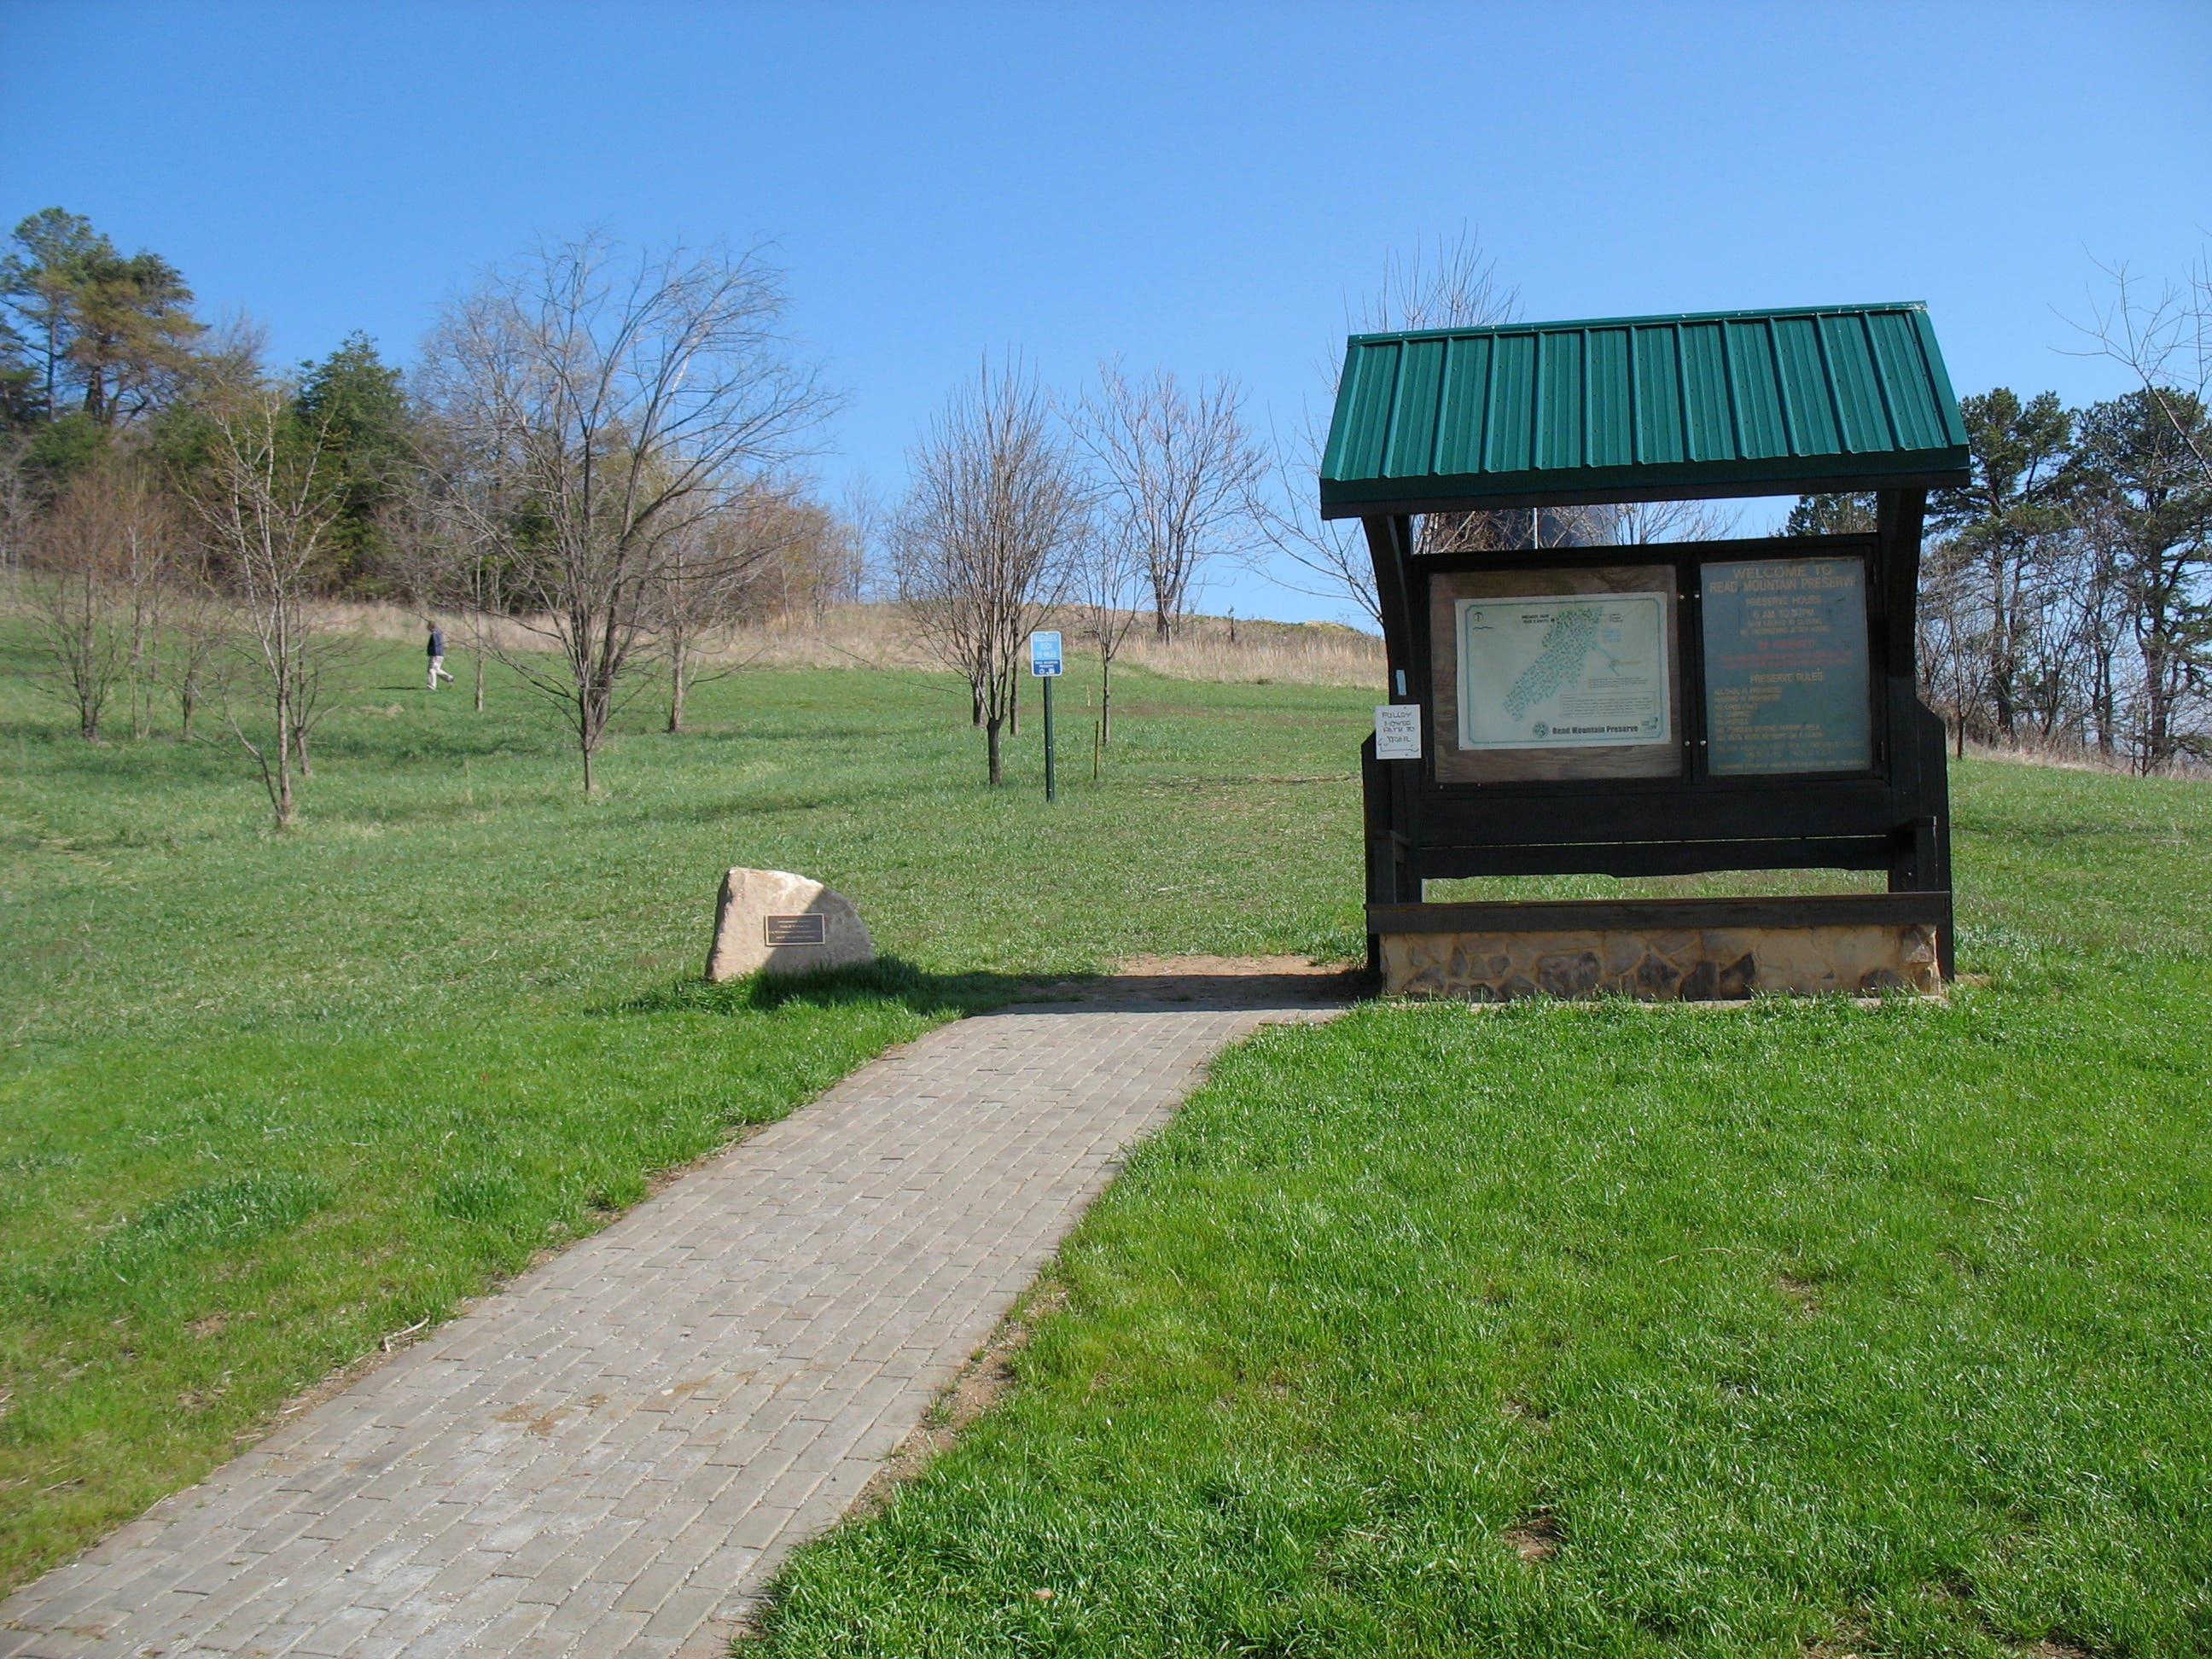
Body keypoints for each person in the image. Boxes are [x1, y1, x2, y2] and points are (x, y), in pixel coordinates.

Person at [427, 622, 455, 690]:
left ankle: (432, 686)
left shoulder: (434, 634)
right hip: (440, 654)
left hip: (435, 655)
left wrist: (435, 654)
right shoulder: (440, 633)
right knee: (436, 669)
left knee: (431, 669)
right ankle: (449, 678)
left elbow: (436, 644)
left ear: (431, 626)